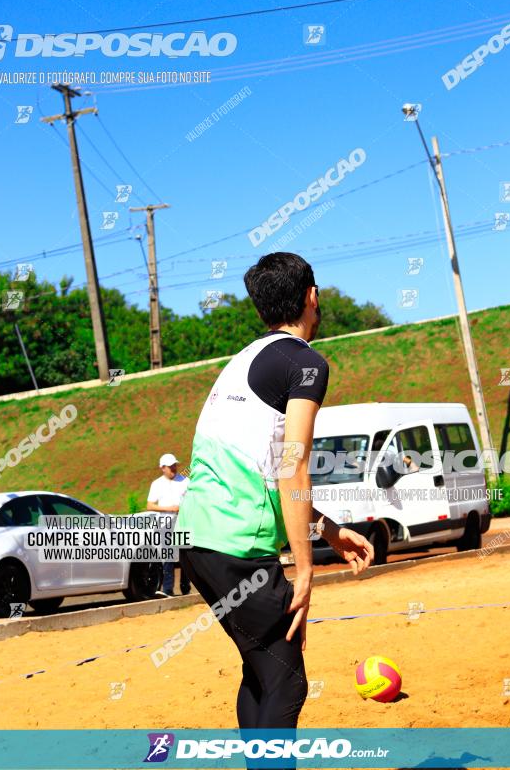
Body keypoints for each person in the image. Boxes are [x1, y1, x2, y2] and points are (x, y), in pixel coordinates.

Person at [178, 252, 374, 730]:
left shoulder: (244, 358)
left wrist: (329, 531)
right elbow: (293, 465)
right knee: (288, 682)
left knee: (263, 671)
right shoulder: (306, 363)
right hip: (236, 547)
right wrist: (305, 570)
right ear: (312, 297)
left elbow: (264, 470)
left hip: (197, 538)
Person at [147, 453, 191, 598]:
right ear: (162, 468)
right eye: (170, 466)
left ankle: (185, 587)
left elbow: (193, 499)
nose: (173, 468)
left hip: (182, 522)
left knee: (185, 555)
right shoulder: (156, 484)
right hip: (165, 524)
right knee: (168, 557)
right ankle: (168, 589)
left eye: (174, 465)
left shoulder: (185, 480)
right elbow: (150, 505)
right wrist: (169, 508)